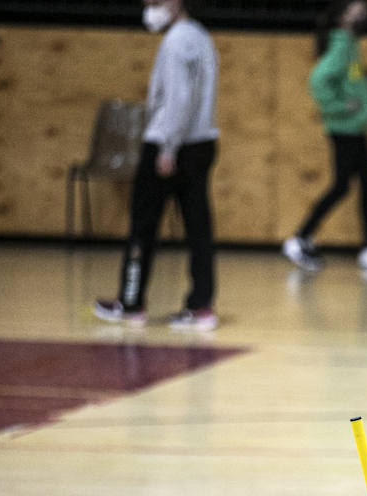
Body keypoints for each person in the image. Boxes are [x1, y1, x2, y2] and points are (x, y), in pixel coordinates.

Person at [94, 0, 220, 331]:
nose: (150, 9)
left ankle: (131, 302)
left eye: (156, 2)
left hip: (170, 143)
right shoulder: (201, 36)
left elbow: (179, 98)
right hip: (202, 142)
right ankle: (201, 305)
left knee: (143, 225)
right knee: (198, 228)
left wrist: (167, 147)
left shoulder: (177, 40)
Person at [281, 0, 367, 273]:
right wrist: (341, 105)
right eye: (358, 12)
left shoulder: (350, 44)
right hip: (344, 129)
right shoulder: (342, 44)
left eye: (365, 12)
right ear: (343, 16)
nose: (364, 16)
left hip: (355, 128)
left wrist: (365, 90)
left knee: (366, 186)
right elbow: (319, 79)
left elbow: (350, 78)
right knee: (342, 186)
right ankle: (300, 239)